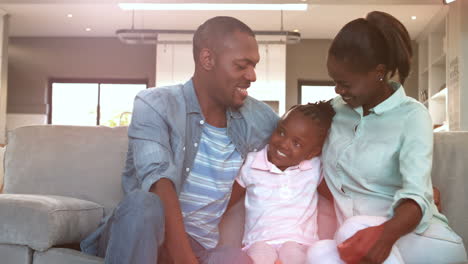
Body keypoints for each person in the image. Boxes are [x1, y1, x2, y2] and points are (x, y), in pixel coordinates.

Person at [80, 16, 279, 264]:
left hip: (200, 247)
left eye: (254, 65)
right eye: (241, 65)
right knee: (143, 205)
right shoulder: (155, 104)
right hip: (143, 233)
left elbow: (302, 141)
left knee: (235, 258)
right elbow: (158, 180)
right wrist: (184, 258)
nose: (252, 75)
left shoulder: (258, 118)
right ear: (207, 59)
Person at [307, 11, 467, 264]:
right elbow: (294, 133)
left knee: (352, 229)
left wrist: (384, 237)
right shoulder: (335, 110)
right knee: (318, 254)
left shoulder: (412, 116)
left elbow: (417, 195)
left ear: (378, 72)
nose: (338, 90)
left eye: (346, 83)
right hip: (354, 233)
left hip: (414, 237)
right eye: (335, 82)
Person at [228, 102, 335, 264]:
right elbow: (225, 201)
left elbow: (337, 197)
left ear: (311, 153)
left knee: (292, 252)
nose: (284, 144)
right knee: (259, 255)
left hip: (300, 242)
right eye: (282, 132)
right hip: (259, 241)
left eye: (296, 143)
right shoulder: (252, 163)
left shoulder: (313, 168)